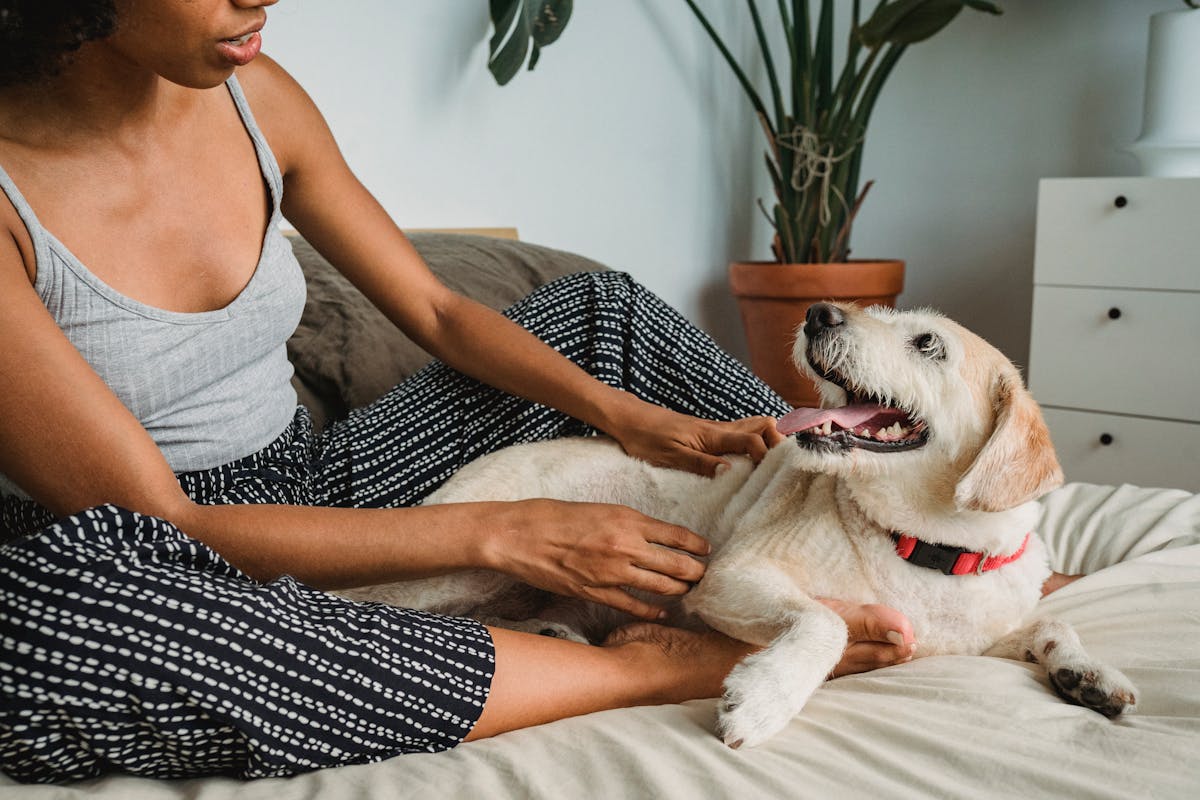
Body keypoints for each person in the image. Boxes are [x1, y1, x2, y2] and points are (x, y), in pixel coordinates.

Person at [0, 0, 924, 784]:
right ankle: (642, 670)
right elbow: (172, 520)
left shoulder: (256, 95)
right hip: (134, 549)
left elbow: (439, 311)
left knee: (600, 313)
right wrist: (506, 532)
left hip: (309, 475)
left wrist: (633, 419)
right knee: (50, 645)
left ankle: (894, 538)